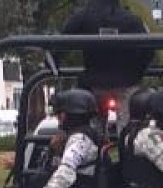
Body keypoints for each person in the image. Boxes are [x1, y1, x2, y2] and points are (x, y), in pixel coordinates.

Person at [61, 0, 152, 131]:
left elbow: (62, 41)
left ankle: (93, 143)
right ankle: (126, 144)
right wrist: (137, 72)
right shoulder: (131, 19)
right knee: (127, 124)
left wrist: (53, 64)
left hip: (93, 81)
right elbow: (149, 48)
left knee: (92, 125)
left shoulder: (82, 17)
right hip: (126, 81)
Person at [29, 89, 103, 188]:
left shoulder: (79, 139)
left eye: (59, 114)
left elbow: (67, 169)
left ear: (65, 115)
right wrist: (57, 151)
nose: (58, 118)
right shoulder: (80, 136)